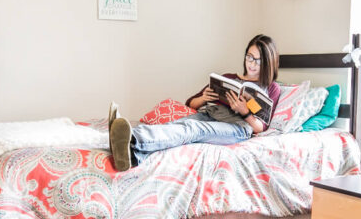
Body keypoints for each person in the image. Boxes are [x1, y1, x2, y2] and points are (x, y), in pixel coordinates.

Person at [108, 34, 281, 171]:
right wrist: (204, 98)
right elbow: (191, 103)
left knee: (192, 129)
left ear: (268, 62)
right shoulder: (229, 78)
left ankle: (131, 137)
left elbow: (261, 127)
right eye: (249, 57)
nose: (251, 64)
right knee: (175, 125)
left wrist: (245, 111)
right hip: (210, 114)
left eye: (258, 60)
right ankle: (129, 153)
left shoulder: (271, 88)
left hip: (237, 126)